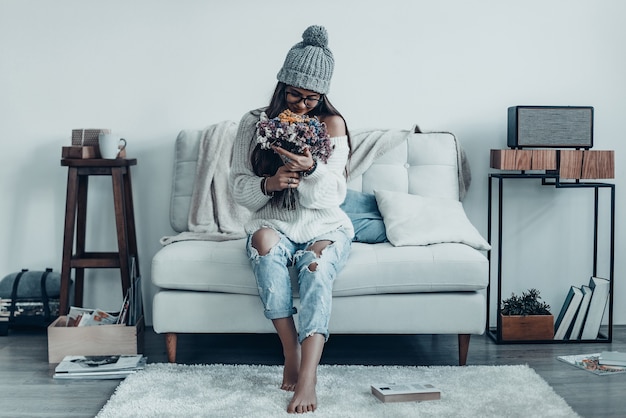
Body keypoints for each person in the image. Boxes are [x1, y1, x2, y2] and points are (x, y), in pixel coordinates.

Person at [230, 25, 353, 414]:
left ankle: (309, 375)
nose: (302, 106)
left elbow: (335, 194)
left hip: (325, 225)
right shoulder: (252, 124)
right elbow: (237, 187)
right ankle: (290, 353)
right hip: (276, 223)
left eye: (312, 98)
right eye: (295, 95)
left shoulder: (332, 125)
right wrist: (269, 183)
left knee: (315, 268)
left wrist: (312, 169)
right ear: (282, 85)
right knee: (264, 245)